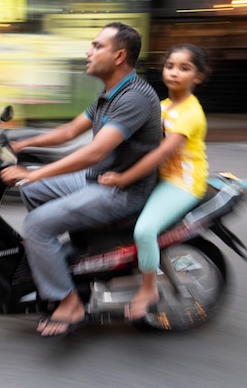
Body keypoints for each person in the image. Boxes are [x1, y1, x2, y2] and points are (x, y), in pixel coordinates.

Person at [0, 22, 161, 338]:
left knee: (36, 225)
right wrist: (21, 144)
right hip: (97, 178)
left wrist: (34, 171)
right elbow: (69, 132)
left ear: (119, 56)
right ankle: (67, 260)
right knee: (31, 191)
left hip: (121, 190)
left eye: (97, 46)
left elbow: (93, 152)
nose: (88, 52)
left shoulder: (135, 97)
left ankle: (70, 302)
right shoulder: (108, 94)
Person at [98, 44, 210, 320]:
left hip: (182, 184)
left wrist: (123, 177)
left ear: (197, 76)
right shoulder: (162, 106)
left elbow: (161, 152)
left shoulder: (191, 114)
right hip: (160, 178)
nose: (174, 72)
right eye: (170, 65)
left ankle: (149, 288)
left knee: (144, 230)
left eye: (184, 68)